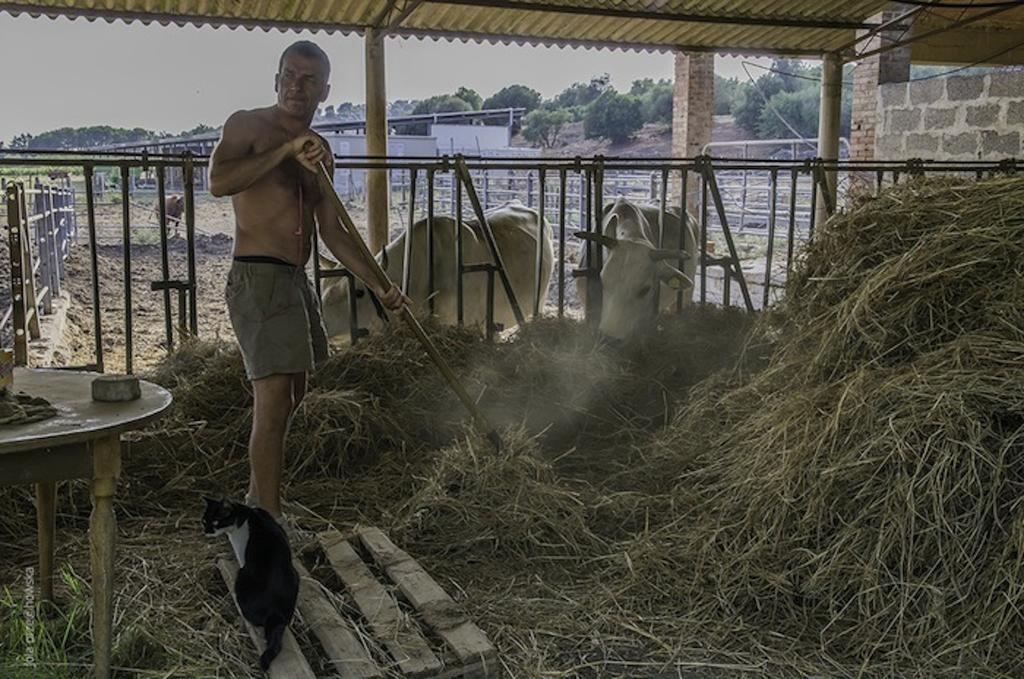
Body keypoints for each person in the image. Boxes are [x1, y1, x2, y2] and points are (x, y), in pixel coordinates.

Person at [209, 40, 407, 525]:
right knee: (273, 400)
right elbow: (218, 181)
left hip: (296, 281)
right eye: (289, 76)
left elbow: (334, 232)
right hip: (258, 277)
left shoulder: (321, 154)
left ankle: (259, 500)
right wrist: (284, 151)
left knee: (295, 392)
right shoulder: (247, 126)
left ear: (325, 91)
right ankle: (270, 522)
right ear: (276, 80)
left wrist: (380, 285)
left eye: (309, 80)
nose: (297, 87)